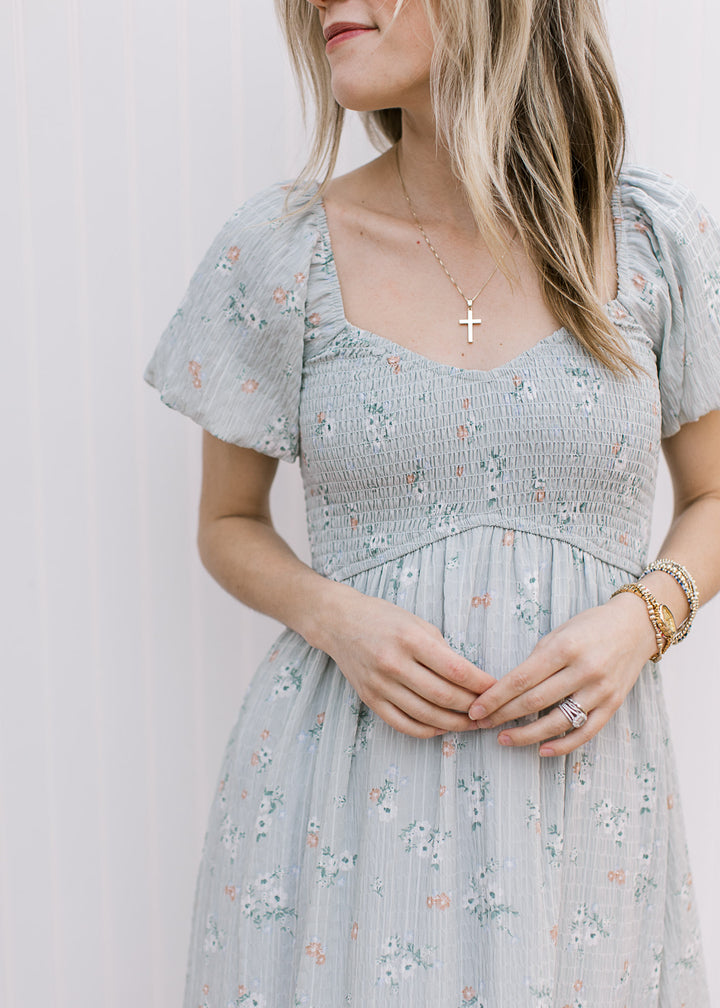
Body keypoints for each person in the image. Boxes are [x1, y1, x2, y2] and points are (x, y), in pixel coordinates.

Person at [144, 1, 720, 1004]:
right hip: (340, 810)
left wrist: (646, 616)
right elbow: (226, 525)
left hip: (581, 820)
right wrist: (336, 616)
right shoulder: (280, 251)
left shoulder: (651, 237)